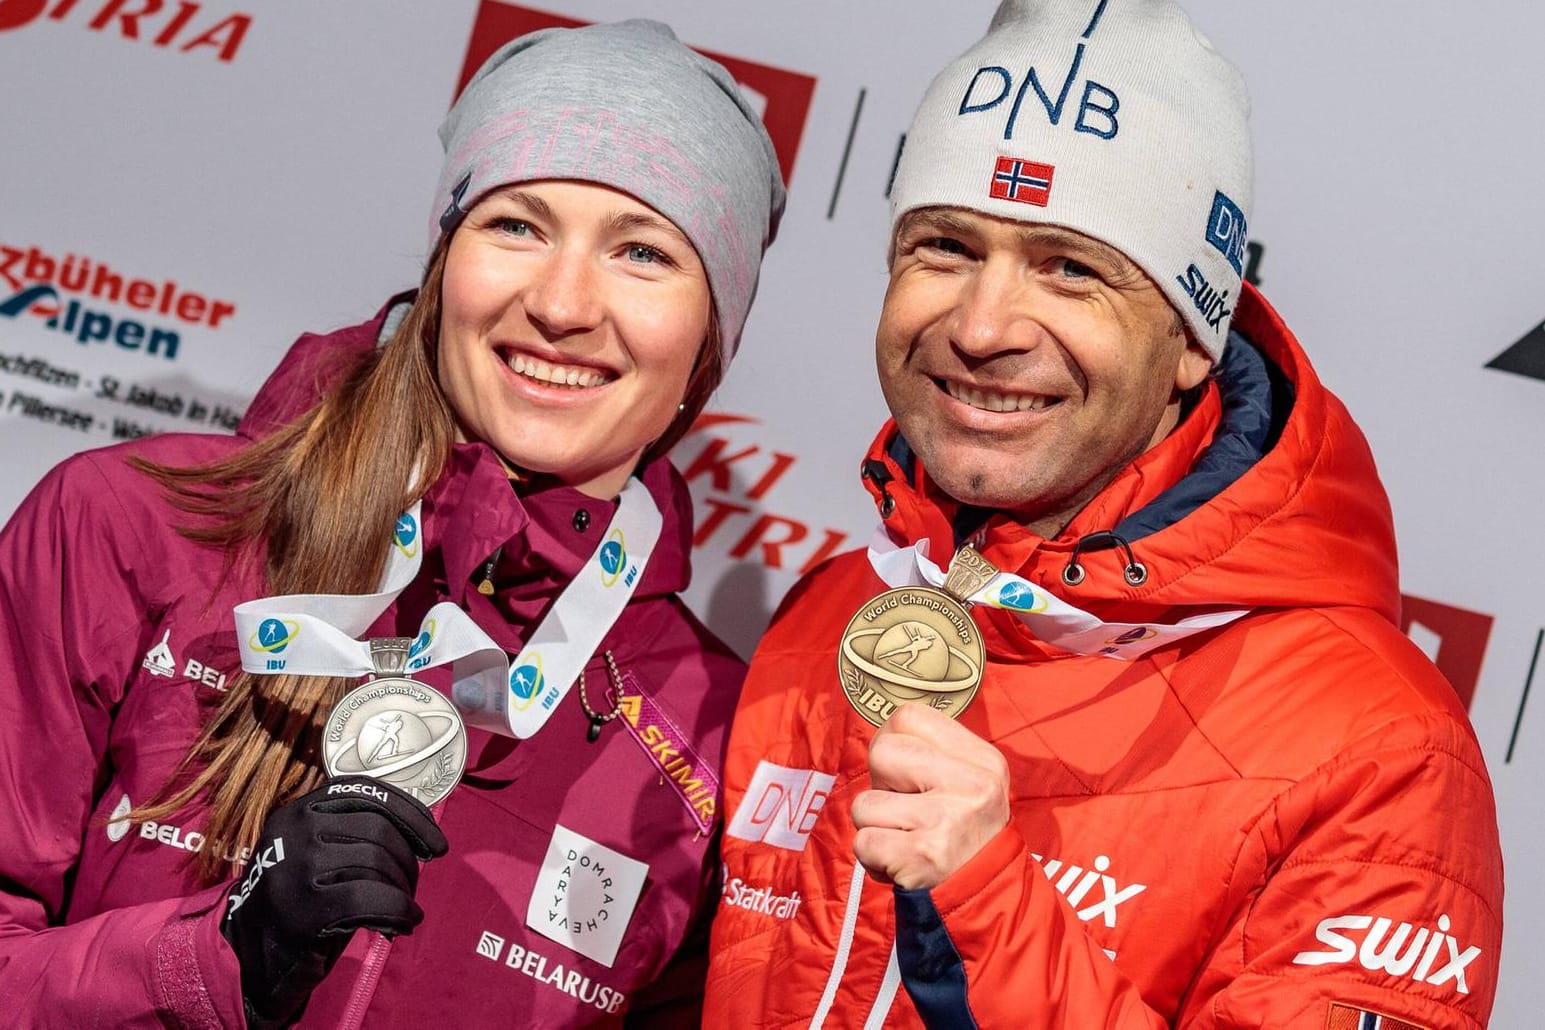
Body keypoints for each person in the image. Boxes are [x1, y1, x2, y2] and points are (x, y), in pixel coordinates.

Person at [704, 2, 1503, 1028]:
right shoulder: (834, 611)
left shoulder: (1382, 752)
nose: (983, 327)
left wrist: (989, 902)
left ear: (1188, 343)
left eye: (1070, 267)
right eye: (944, 247)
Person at [0, 18, 783, 1028]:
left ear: (710, 337)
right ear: (445, 256)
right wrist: (210, 963)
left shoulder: (717, 734)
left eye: (643, 251)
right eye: (517, 225)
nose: (562, 303)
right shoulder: (132, 525)